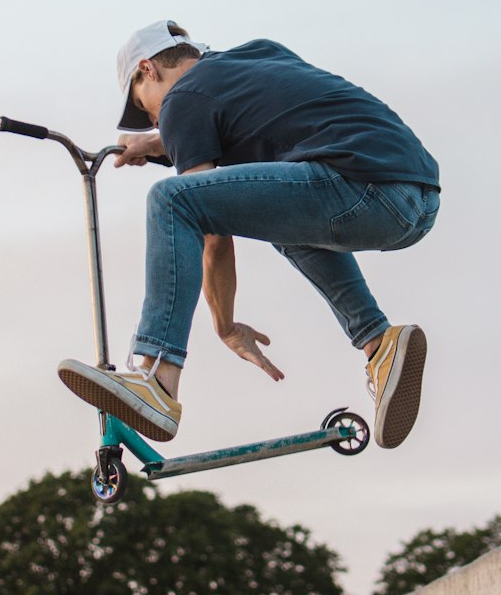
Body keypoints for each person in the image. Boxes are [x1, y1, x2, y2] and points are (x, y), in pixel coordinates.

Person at [58, 22, 440, 449]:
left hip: (361, 188)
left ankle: (157, 379)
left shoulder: (180, 101)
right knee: (285, 224)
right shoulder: (259, 54)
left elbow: (208, 226)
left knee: (171, 200)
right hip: (414, 196)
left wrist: (224, 326)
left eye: (143, 106)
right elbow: (244, 113)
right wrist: (158, 142)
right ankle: (380, 344)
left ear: (148, 69)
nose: (152, 116)